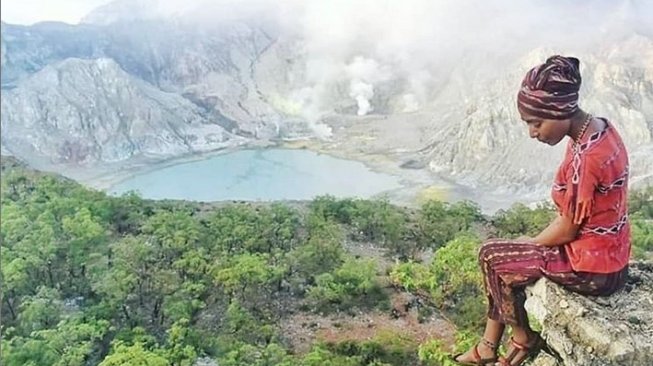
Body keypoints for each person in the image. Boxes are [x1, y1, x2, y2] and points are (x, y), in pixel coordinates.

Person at [452, 55, 630, 366]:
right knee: (502, 258)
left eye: (537, 123)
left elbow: (568, 228)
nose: (533, 133)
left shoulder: (586, 158)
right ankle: (487, 346)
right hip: (611, 258)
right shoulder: (600, 130)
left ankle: (521, 338)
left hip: (592, 269)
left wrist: (529, 243)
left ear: (560, 111)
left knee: (492, 256)